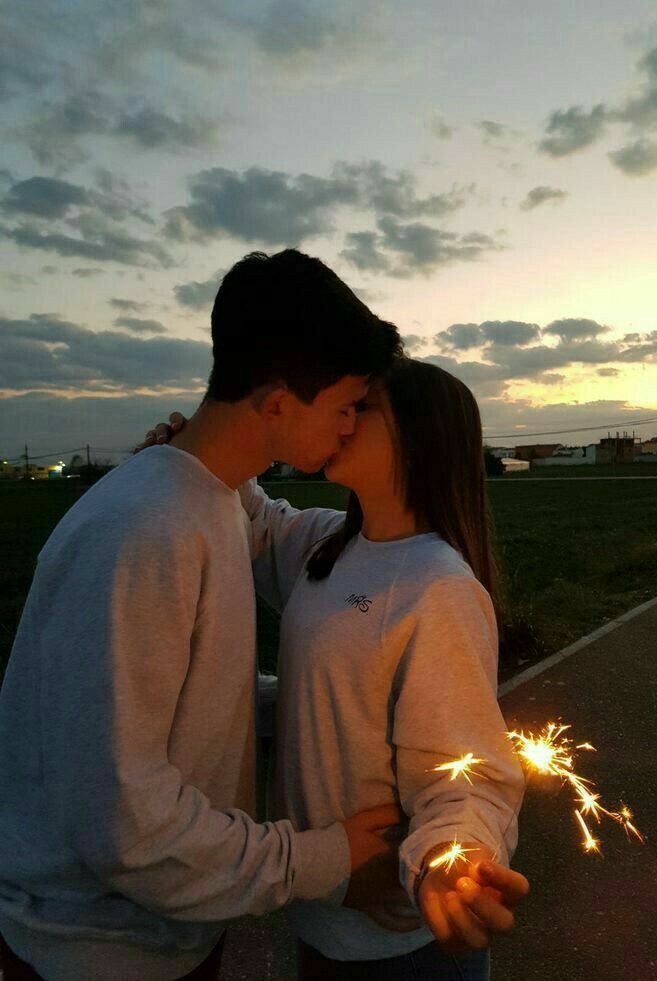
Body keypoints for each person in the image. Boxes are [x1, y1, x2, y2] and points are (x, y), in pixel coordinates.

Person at [0, 249, 413, 981]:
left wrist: (323, 710)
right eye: (346, 404)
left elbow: (189, 698)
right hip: (99, 951)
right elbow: (125, 823)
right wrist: (326, 862)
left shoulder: (214, 498)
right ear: (278, 403)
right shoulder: (142, 533)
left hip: (166, 931)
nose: (351, 425)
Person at [145, 357, 529, 979]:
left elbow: (465, 768)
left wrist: (449, 857)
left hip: (400, 943)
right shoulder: (329, 544)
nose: (341, 421)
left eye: (360, 408)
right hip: (324, 909)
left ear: (418, 436)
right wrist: (200, 454)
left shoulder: (438, 588)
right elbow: (261, 522)